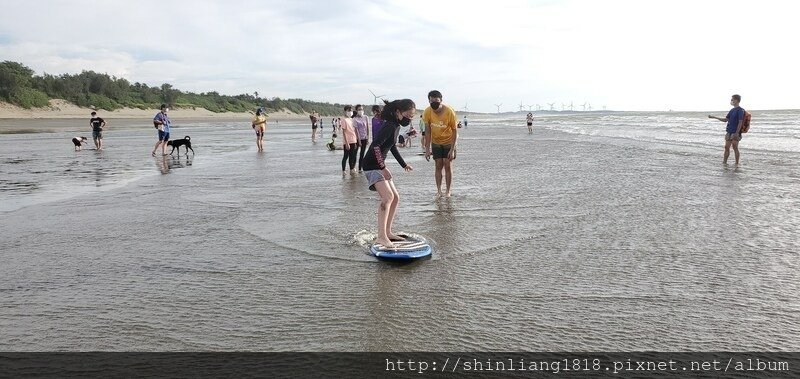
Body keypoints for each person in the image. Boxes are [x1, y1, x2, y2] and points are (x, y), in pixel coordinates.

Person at [361, 99, 415, 248]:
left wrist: (403, 164)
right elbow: (376, 146)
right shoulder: (390, 125)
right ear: (398, 112)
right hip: (372, 165)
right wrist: (382, 167)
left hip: (379, 165)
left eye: (412, 117)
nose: (409, 119)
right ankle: (381, 237)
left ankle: (388, 232)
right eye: (408, 115)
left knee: (395, 198)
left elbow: (391, 147)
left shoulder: (396, 126)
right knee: (387, 197)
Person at [422, 90, 458, 198]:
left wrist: (452, 149)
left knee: (447, 165)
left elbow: (455, 131)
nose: (434, 103)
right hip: (436, 142)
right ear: (429, 101)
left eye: (436, 101)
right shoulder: (427, 112)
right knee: (438, 165)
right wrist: (427, 149)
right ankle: (439, 190)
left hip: (449, 141)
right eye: (431, 101)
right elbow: (427, 131)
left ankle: (447, 191)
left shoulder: (449, 111)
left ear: (441, 100)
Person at [708, 94, 746, 165]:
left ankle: (737, 163)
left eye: (732, 99)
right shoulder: (732, 110)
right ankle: (724, 162)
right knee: (726, 147)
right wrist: (715, 117)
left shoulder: (740, 110)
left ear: (736, 100)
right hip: (729, 131)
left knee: (735, 147)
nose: (731, 101)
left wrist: (736, 133)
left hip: (735, 132)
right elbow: (726, 120)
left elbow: (740, 122)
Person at [339, 105, 358, 176]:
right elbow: (344, 132)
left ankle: (351, 169)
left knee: (352, 156)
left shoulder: (351, 119)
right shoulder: (344, 120)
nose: (350, 112)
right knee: (346, 156)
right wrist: (346, 143)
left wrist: (355, 141)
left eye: (351, 110)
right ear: (345, 111)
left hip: (353, 140)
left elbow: (353, 131)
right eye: (348, 111)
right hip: (347, 141)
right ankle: (343, 170)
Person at [352, 104, 370, 172]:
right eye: (359, 109)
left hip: (364, 138)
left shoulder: (366, 117)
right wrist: (359, 141)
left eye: (362, 109)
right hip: (357, 139)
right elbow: (356, 131)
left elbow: (367, 128)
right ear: (356, 110)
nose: (361, 111)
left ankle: (360, 168)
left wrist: (368, 138)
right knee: (355, 153)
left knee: (362, 153)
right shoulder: (354, 119)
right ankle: (353, 167)